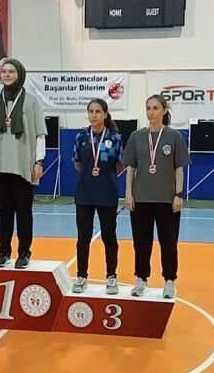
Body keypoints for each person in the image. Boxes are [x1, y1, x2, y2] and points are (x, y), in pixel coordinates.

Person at [0, 58, 47, 269]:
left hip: (23, 165)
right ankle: (3, 252)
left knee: (24, 212)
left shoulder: (31, 102)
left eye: (11, 71)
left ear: (20, 75)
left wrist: (39, 161)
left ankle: (24, 252)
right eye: (4, 71)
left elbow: (40, 135)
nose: (7, 75)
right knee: (4, 212)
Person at [122, 94, 190, 299]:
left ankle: (169, 281)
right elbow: (130, 168)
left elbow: (179, 169)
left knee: (168, 242)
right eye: (148, 108)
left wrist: (178, 194)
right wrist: (128, 193)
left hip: (167, 200)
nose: (151, 112)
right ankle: (141, 278)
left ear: (164, 110)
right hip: (141, 199)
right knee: (141, 243)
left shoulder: (174, 136)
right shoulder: (136, 136)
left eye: (155, 108)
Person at [71, 99, 123, 294]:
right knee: (83, 237)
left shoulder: (115, 138)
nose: (94, 115)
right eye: (91, 111)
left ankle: (111, 276)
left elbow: (120, 165)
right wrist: (90, 175)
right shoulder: (81, 136)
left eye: (98, 111)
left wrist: (104, 176)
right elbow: (77, 163)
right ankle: (81, 276)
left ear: (105, 114)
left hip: (107, 193)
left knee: (109, 237)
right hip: (85, 193)